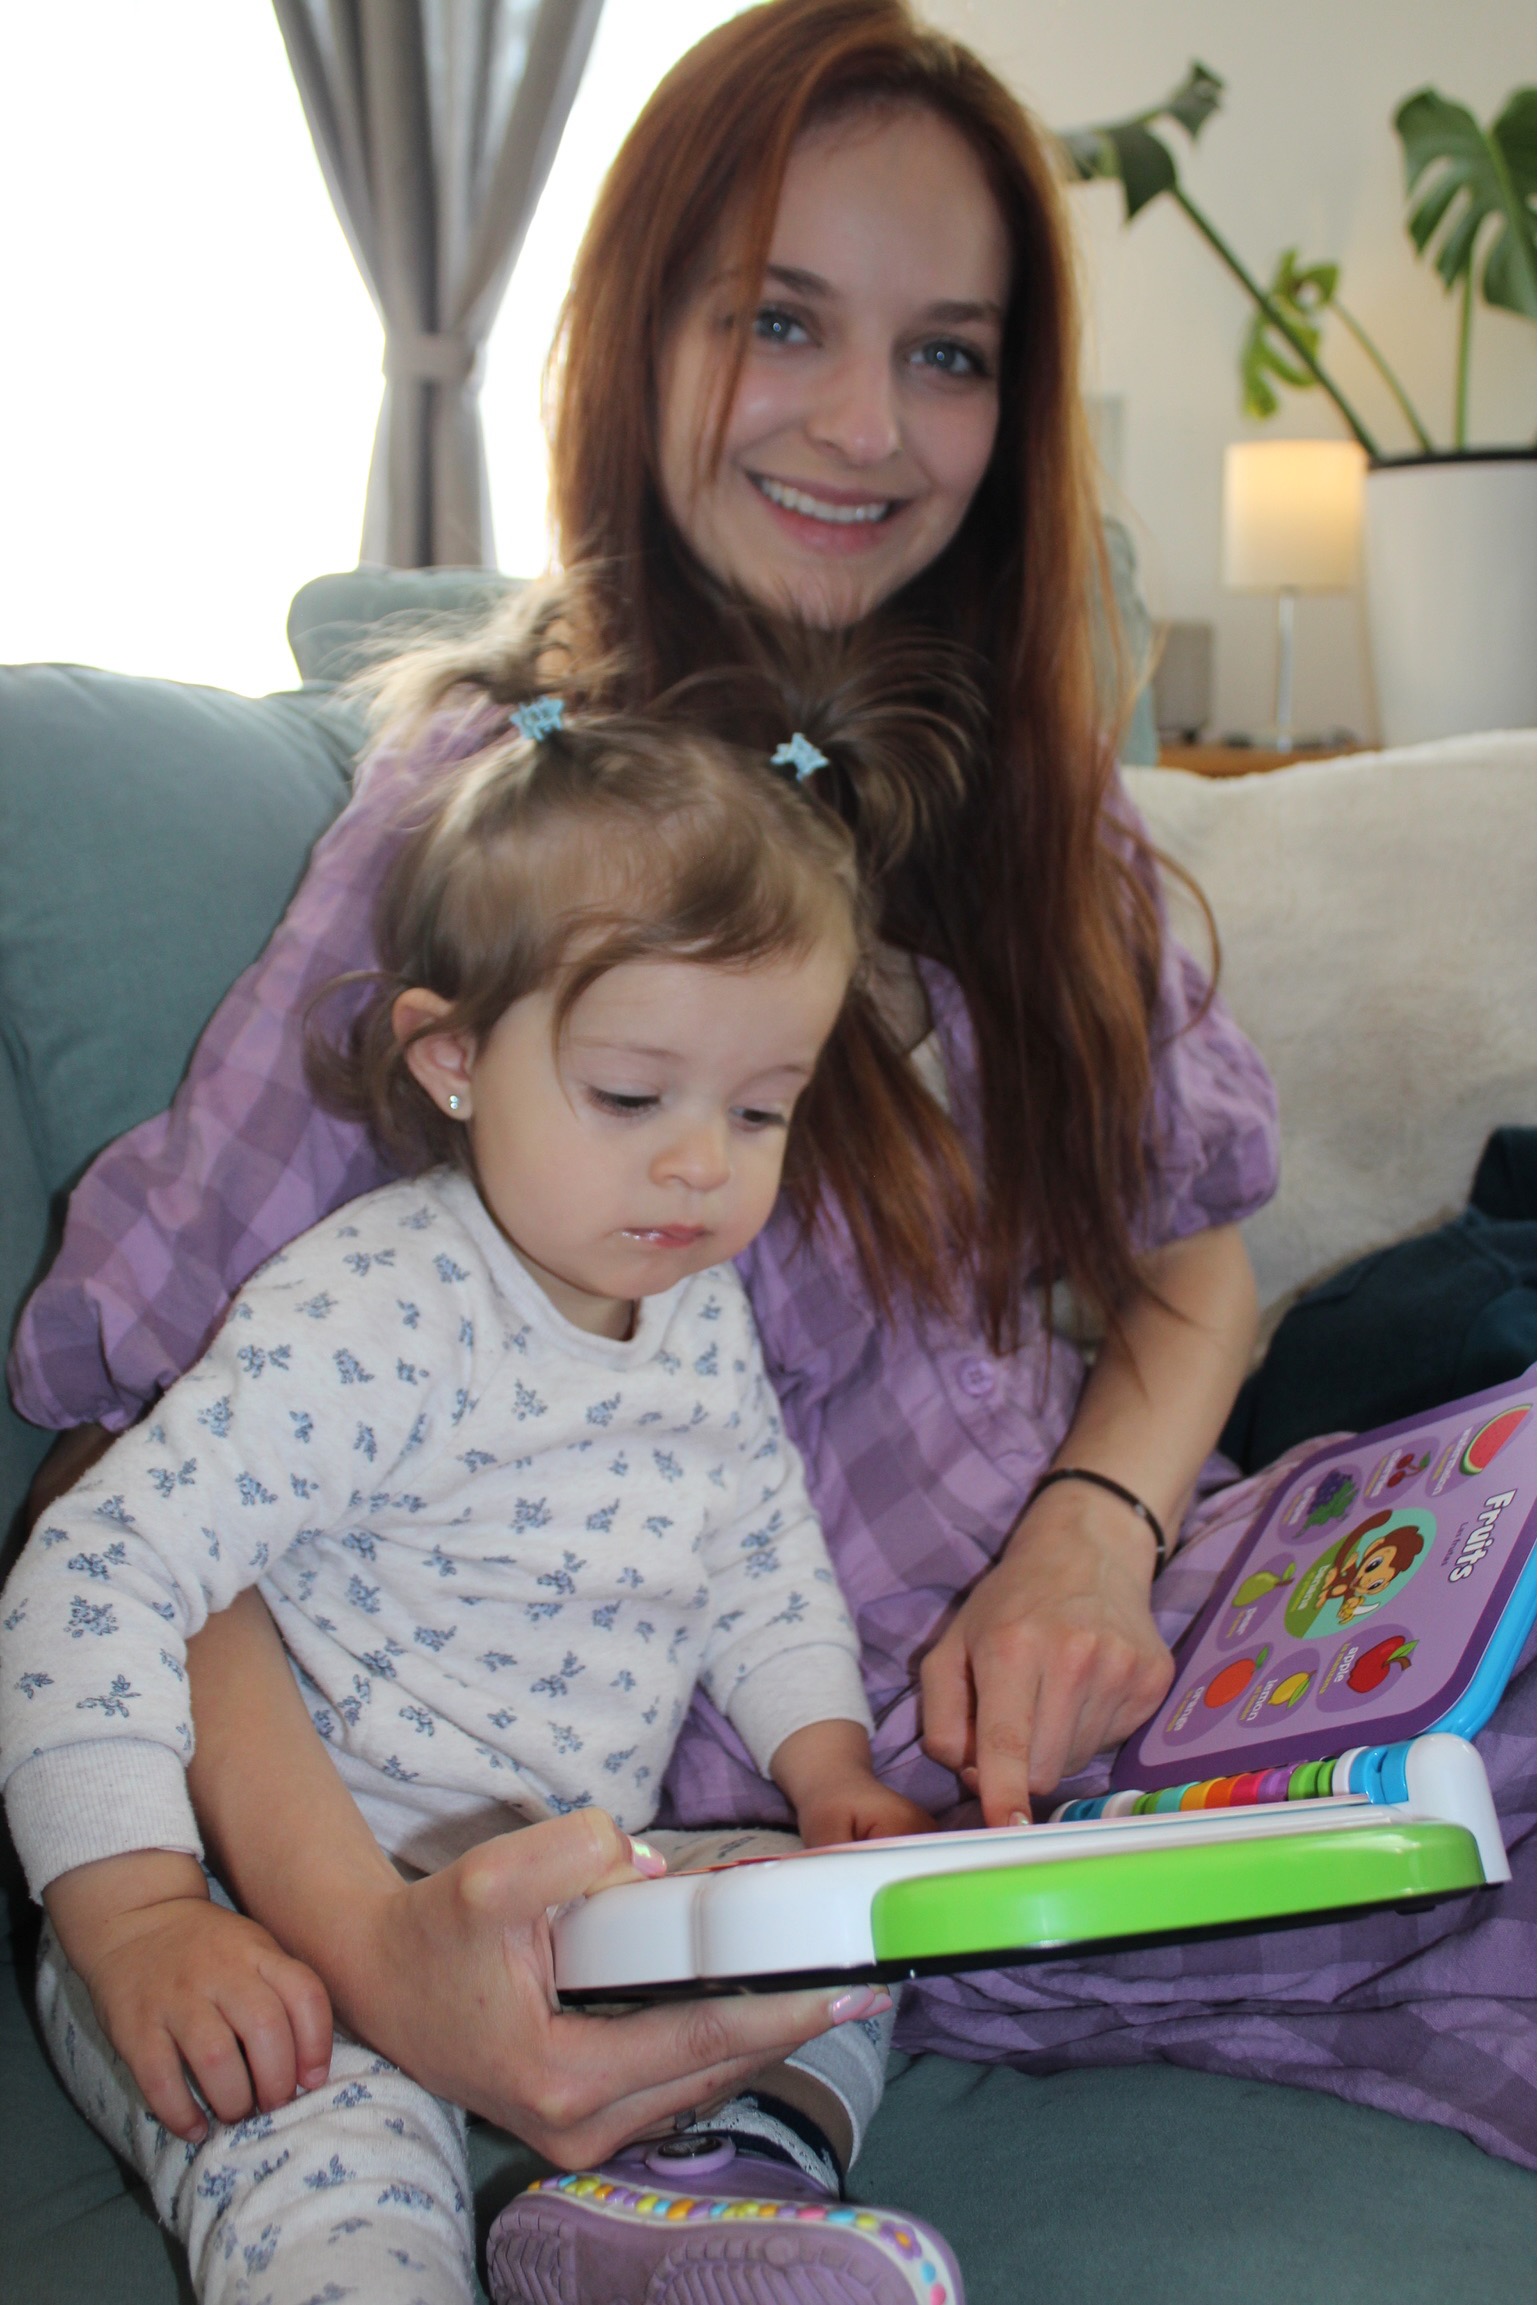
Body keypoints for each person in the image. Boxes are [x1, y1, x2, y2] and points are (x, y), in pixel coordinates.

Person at [12, 0, 1526, 2250]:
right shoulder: (501, 827)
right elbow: (124, 1455)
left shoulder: (1033, 808)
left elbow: (1192, 1259)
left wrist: (1091, 1528)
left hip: (1101, 1644)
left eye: (948, 353)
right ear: (639, 337)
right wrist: (366, 1948)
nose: (865, 424)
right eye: (782, 320)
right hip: (791, 1799)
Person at [1, 653, 972, 2305]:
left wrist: (824, 1767)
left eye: (761, 1109)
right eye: (630, 1093)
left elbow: (759, 1552)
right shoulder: (377, 1309)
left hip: (568, 1903)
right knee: (334, 2175)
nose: (698, 1162)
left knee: (838, 1924)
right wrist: (141, 1914)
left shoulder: (698, 1311)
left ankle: (709, 2186)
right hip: (266, 1926)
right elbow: (96, 1566)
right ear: (451, 1059)